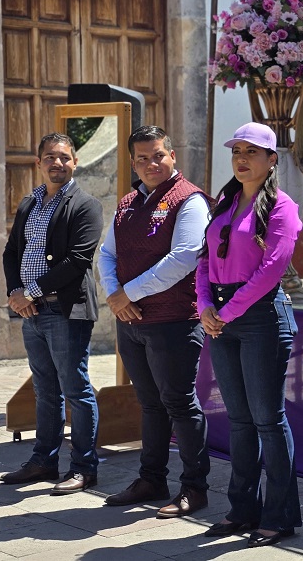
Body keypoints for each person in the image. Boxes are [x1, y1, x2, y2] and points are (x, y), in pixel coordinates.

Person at [197, 122, 303, 548]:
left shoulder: (282, 206)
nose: (241, 158)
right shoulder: (224, 200)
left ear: (272, 159)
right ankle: (242, 509)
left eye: (252, 151)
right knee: (238, 420)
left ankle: (278, 516)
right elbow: (204, 259)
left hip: (261, 317)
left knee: (267, 421)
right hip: (222, 315)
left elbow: (271, 269)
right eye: (236, 151)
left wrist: (225, 312)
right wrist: (205, 305)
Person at [96, 125, 211, 518]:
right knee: (149, 404)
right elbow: (106, 254)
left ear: (172, 155)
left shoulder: (189, 200)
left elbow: (185, 257)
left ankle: (194, 488)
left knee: (179, 403)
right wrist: (116, 295)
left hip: (174, 321)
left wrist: (128, 293)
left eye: (158, 155)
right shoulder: (128, 203)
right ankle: (152, 479)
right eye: (142, 158)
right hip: (131, 322)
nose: (151, 164)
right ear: (133, 162)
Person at [0, 132, 103, 495]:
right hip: (32, 311)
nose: (57, 163)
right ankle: (43, 461)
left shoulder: (86, 205)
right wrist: (16, 293)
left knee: (76, 389)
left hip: (65, 309)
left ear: (75, 162)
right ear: (39, 162)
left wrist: (29, 292)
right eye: (49, 157)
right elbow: (11, 252)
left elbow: (77, 261)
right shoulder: (30, 202)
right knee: (45, 390)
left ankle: (84, 468)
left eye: (64, 157)